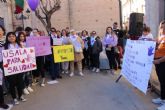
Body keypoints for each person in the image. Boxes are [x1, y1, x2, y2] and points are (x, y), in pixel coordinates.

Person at [4, 32, 27, 105]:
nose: (11, 37)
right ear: (7, 38)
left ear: (15, 37)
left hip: (19, 68)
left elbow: (25, 53)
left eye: (13, 36)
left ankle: (20, 96)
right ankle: (14, 98)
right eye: (9, 36)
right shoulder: (5, 46)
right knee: (12, 84)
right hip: (10, 70)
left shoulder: (20, 44)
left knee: (20, 82)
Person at [152, 20, 165, 110]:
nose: (162, 29)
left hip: (162, 62)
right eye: (161, 27)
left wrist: (159, 60)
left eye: (164, 27)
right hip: (158, 63)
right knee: (162, 82)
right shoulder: (160, 38)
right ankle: (163, 98)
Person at [0, 25, 13, 109]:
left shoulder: (6, 41)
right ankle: (1, 102)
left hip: (5, 63)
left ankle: (2, 101)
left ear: (3, 31)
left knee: (2, 82)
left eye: (0, 30)